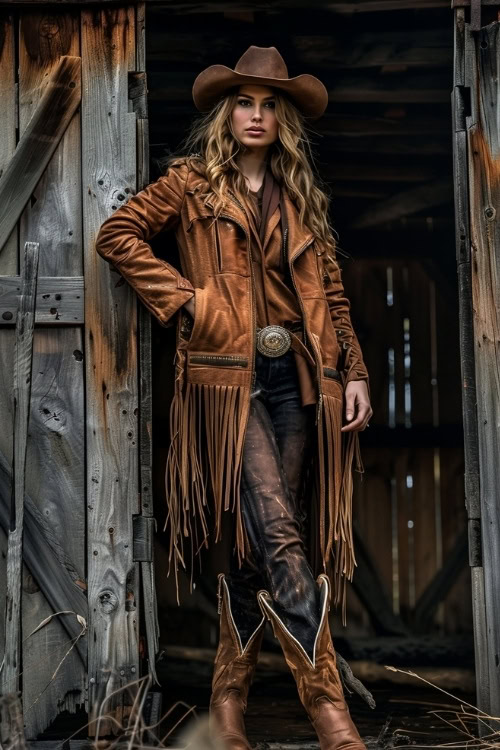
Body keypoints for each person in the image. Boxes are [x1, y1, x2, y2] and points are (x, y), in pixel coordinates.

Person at [96, 45, 372, 750]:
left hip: (299, 382)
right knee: (283, 537)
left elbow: (333, 298)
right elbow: (117, 235)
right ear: (228, 112)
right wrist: (190, 300)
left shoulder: (302, 195)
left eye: (270, 105)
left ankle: (228, 704)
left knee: (256, 550)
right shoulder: (190, 185)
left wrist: (357, 372)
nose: (257, 115)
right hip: (227, 382)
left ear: (283, 120)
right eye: (245, 102)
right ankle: (329, 712)